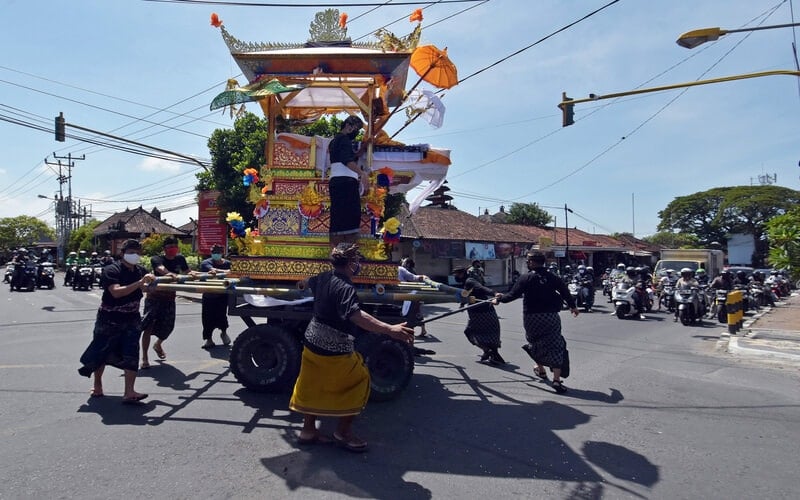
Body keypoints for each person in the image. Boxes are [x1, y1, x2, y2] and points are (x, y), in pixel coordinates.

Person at [289, 243, 414, 452]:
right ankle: (343, 432)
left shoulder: (322, 277)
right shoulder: (345, 287)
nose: (359, 265)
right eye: (357, 261)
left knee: (313, 383)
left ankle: (308, 430)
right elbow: (356, 316)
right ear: (351, 264)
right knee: (359, 380)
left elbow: (305, 283)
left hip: (311, 339)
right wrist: (389, 329)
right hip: (333, 345)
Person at [78, 239, 155, 403]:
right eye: (131, 252)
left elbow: (147, 288)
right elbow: (116, 292)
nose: (135, 255)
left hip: (132, 318)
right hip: (109, 318)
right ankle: (97, 385)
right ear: (122, 253)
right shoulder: (111, 270)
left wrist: (155, 282)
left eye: (138, 252)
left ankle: (129, 391)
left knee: (131, 353)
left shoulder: (140, 270)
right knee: (102, 351)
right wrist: (140, 283)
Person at [495, 250, 579, 394]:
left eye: (528, 261)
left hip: (531, 317)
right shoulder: (553, 277)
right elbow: (565, 292)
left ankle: (541, 370)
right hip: (550, 316)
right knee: (556, 344)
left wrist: (499, 299)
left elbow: (512, 296)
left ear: (532, 262)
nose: (527, 263)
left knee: (535, 343)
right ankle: (556, 380)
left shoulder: (525, 278)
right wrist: (573, 307)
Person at [140, 236, 189, 369]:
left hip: (169, 297)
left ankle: (158, 344)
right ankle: (144, 357)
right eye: (169, 247)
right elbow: (161, 269)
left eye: (174, 246)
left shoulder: (180, 259)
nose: (172, 249)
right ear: (164, 249)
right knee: (148, 327)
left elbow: (188, 272)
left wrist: (201, 274)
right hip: (154, 297)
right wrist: (170, 274)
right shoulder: (157, 259)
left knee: (168, 326)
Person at [328, 115, 369, 248]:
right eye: (356, 129)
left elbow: (349, 157)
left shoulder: (335, 140)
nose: (356, 132)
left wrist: (363, 148)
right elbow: (347, 161)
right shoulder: (344, 139)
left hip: (337, 182)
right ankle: (348, 249)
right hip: (345, 183)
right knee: (351, 215)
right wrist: (362, 174)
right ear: (348, 126)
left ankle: (337, 249)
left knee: (338, 216)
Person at [452, 265, 505, 365]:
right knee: (489, 333)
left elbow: (482, 288)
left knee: (470, 332)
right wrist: (462, 304)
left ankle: (488, 351)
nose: (455, 276)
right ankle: (492, 353)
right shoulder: (466, 282)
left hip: (480, 312)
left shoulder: (470, 281)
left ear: (462, 273)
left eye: (457, 274)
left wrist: (494, 293)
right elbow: (466, 294)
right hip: (484, 310)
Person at [199, 244, 232, 349]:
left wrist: (224, 272)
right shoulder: (206, 263)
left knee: (222, 315)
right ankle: (209, 340)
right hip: (209, 295)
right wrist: (226, 272)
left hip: (222, 294)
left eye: (218, 252)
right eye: (214, 252)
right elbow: (211, 269)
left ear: (222, 253)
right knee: (207, 318)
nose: (216, 254)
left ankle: (223, 333)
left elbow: (234, 272)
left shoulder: (227, 263)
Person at [398, 257, 429, 337]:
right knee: (415, 313)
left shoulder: (403, 270)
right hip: (405, 295)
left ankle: (413, 332)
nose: (402, 262)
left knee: (414, 313)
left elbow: (414, 278)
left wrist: (422, 277)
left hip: (409, 295)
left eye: (404, 262)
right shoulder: (402, 269)